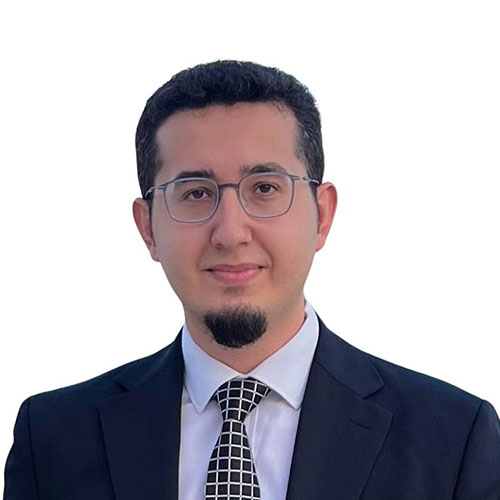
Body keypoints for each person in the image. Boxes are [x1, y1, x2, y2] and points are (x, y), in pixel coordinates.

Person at [4, 61, 500, 500]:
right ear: (148, 227)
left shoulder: (454, 440)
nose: (230, 232)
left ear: (322, 215)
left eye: (264, 188)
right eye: (195, 193)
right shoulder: (53, 439)